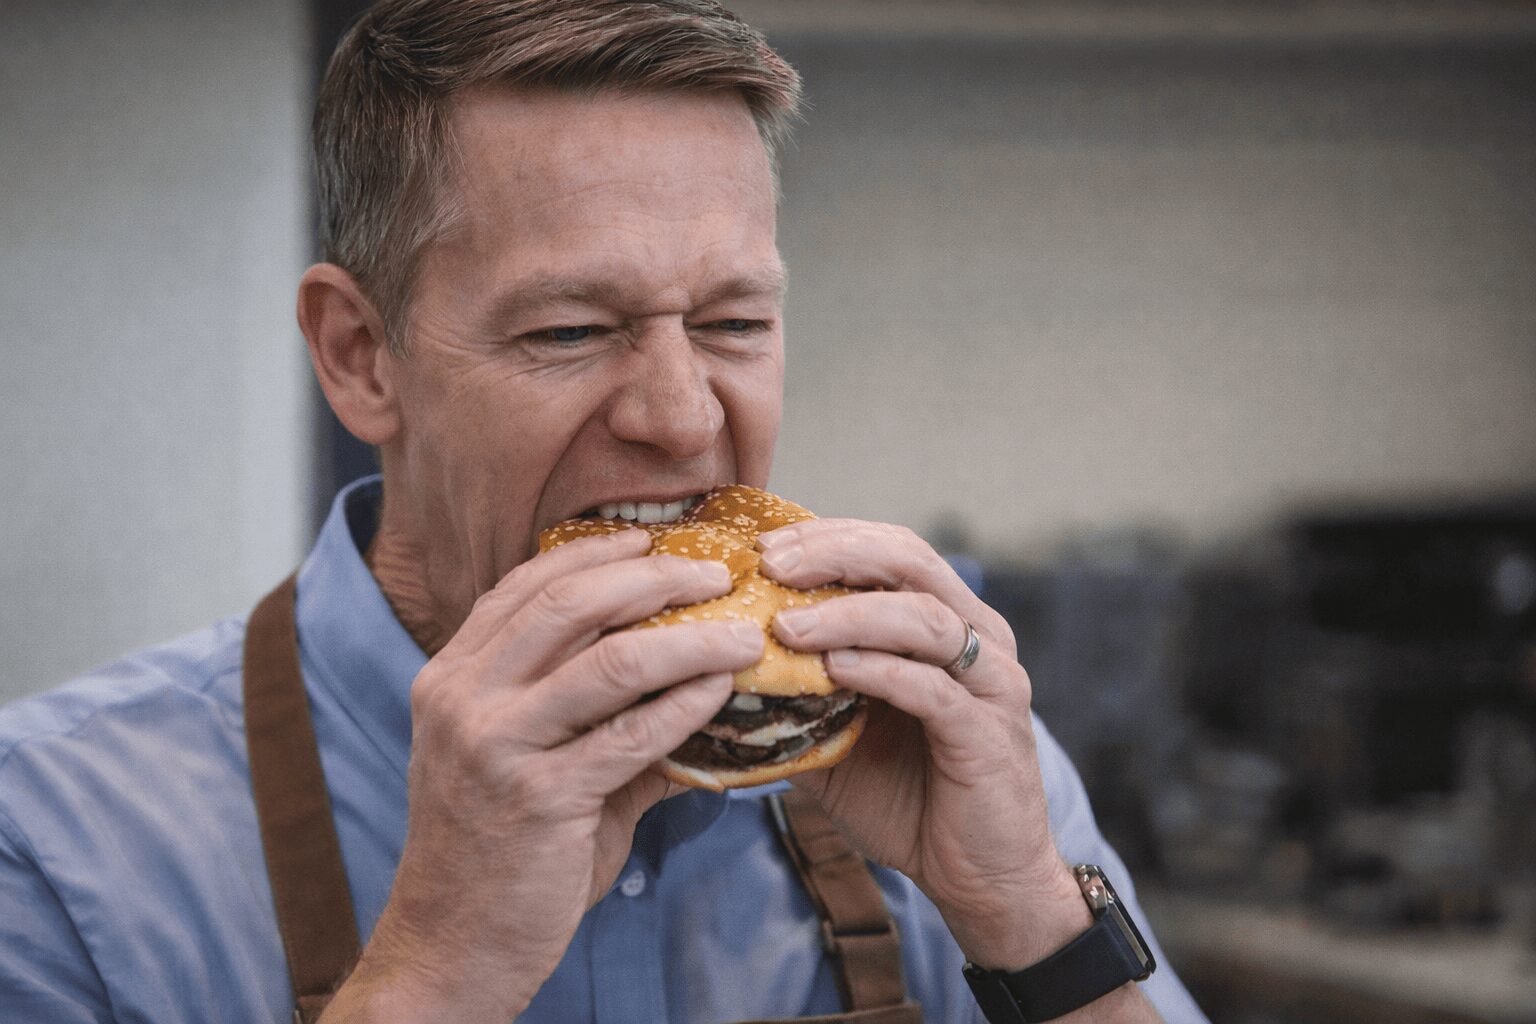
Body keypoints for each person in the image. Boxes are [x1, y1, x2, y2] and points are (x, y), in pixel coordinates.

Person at [0, 2, 1209, 1021]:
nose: (683, 419)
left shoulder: (942, 747)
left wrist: (1034, 927)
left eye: (735, 322)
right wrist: (433, 971)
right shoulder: (53, 843)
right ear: (361, 356)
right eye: (570, 330)